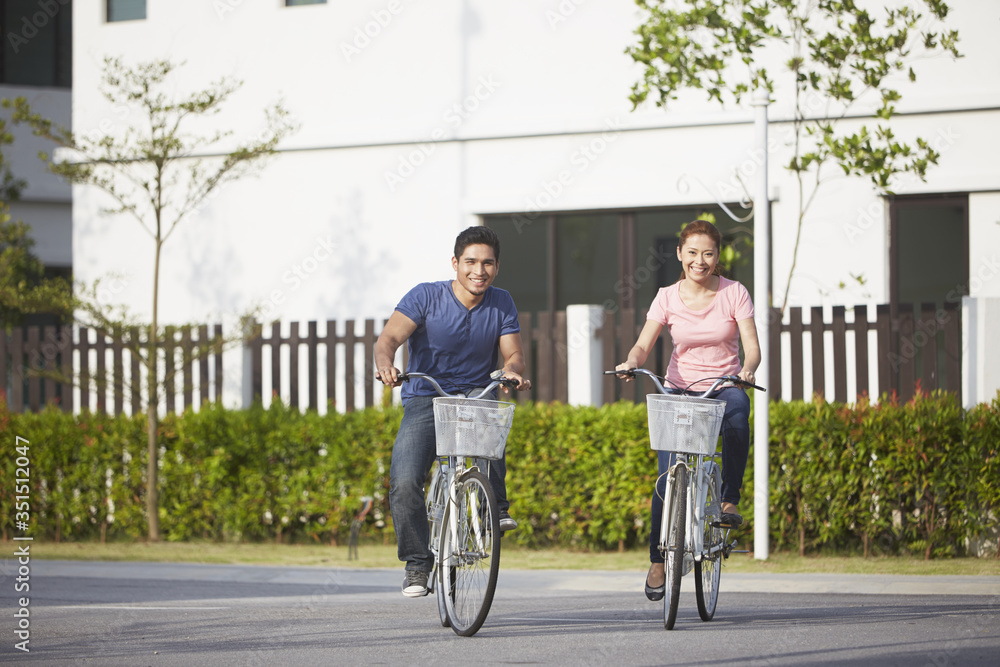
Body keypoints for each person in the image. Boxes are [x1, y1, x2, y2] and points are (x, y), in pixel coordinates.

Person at [374, 225, 531, 598]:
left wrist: (512, 370)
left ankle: (498, 505)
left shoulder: (501, 301)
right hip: (427, 394)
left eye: (488, 263)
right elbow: (389, 340)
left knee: (491, 415)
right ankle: (417, 563)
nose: (480, 271)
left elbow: (514, 353)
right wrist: (385, 363)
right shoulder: (426, 296)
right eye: (471, 262)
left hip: (476, 392)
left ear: (497, 267)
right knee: (405, 479)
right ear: (455, 263)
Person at [614, 219, 760, 602]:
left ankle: (729, 498)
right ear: (680, 254)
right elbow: (643, 345)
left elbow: (752, 346)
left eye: (708, 253)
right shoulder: (666, 296)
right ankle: (658, 561)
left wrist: (746, 371)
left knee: (738, 411)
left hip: (722, 386)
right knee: (666, 477)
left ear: (718, 256)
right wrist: (631, 362)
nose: (700, 260)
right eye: (692, 252)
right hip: (678, 388)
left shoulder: (734, 293)